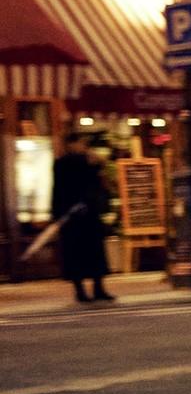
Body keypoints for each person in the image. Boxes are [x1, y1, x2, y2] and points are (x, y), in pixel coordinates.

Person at [49, 131, 113, 305]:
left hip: (86, 213)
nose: (83, 146)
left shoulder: (81, 161)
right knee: (78, 253)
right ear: (71, 144)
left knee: (93, 252)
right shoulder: (66, 163)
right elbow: (59, 189)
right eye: (80, 143)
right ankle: (82, 290)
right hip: (74, 215)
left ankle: (97, 288)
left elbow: (100, 172)